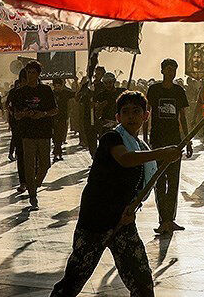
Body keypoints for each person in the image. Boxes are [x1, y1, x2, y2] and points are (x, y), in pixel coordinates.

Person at [51, 91, 181, 296]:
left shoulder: (141, 146)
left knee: (142, 281)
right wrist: (163, 153)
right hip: (96, 221)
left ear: (146, 115)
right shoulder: (111, 138)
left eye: (136, 111)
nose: (131, 116)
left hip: (123, 221)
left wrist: (133, 208)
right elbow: (126, 159)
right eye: (126, 112)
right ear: (118, 117)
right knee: (73, 282)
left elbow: (138, 186)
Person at [146, 58, 193, 235]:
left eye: (173, 69)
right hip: (157, 140)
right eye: (167, 69)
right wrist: (144, 138)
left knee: (173, 181)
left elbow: (183, 117)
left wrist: (187, 140)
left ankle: (170, 219)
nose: (170, 72)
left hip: (175, 141)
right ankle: (162, 219)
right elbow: (147, 114)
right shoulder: (154, 90)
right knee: (159, 180)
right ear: (162, 71)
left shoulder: (179, 91)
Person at [10, 60, 58, 209]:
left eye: (33, 72)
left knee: (45, 164)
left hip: (44, 132)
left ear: (38, 74)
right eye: (28, 72)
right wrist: (25, 113)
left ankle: (35, 185)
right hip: (27, 132)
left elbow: (54, 110)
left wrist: (42, 114)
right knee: (29, 165)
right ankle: (32, 195)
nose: (31, 75)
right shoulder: (19, 92)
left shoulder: (46, 90)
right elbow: (16, 114)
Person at [52, 78, 75, 162]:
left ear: (62, 86)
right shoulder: (51, 94)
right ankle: (57, 152)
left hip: (63, 118)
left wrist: (76, 82)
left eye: (59, 86)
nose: (57, 87)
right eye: (56, 86)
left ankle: (57, 152)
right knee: (55, 137)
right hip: (53, 118)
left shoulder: (66, 93)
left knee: (60, 136)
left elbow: (76, 94)